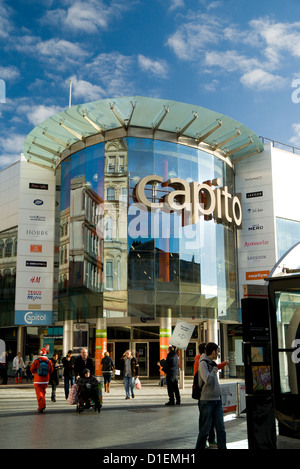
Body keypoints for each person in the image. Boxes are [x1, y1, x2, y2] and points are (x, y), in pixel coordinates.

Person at [194, 342, 229, 448]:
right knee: (205, 429)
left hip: (217, 400)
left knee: (221, 429)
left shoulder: (212, 363)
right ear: (213, 352)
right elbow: (208, 380)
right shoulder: (203, 363)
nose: (218, 354)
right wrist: (214, 371)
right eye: (217, 351)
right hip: (206, 401)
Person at [30, 348, 53, 413]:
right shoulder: (49, 361)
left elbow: (32, 370)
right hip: (45, 380)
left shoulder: (37, 361)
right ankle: (43, 404)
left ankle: (41, 406)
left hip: (38, 380)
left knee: (39, 393)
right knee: (43, 392)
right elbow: (51, 370)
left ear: (40, 353)